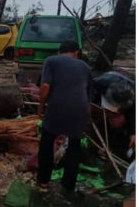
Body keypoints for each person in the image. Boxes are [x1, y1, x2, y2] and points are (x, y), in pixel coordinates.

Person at [37, 41, 91, 193]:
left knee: (47, 144)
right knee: (74, 148)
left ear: (59, 51)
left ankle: (43, 183)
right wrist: (86, 120)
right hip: (79, 112)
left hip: (57, 109)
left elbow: (45, 87)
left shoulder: (51, 60)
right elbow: (88, 98)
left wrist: (40, 109)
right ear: (76, 52)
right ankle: (68, 186)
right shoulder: (85, 67)